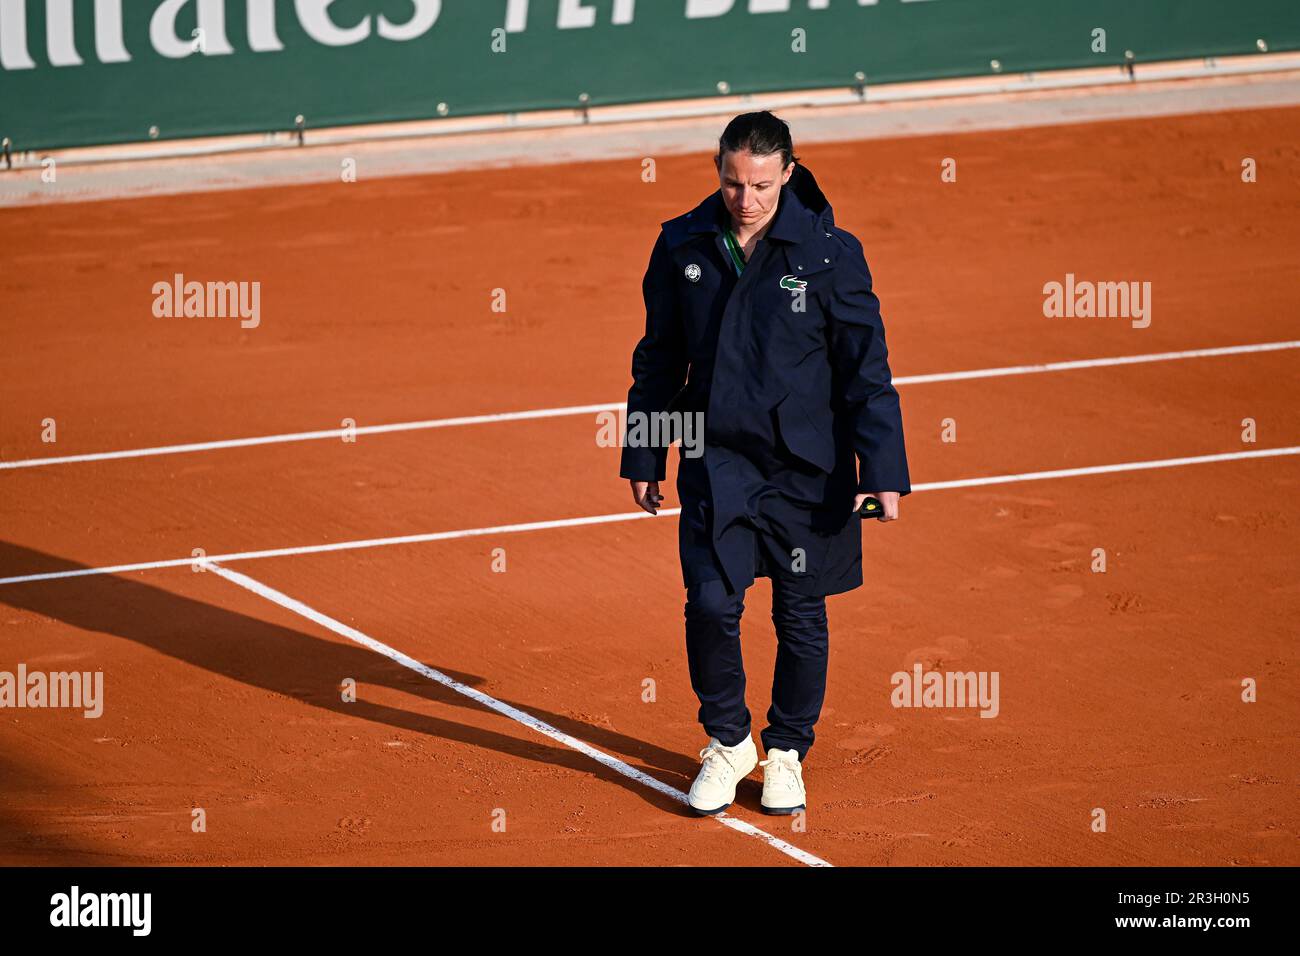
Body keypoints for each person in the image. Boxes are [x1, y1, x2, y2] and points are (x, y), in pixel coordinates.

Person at [619, 111, 910, 815]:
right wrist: (645, 448)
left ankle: (785, 751)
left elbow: (865, 370)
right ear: (718, 171)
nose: (744, 199)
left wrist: (884, 471)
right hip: (717, 458)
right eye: (731, 183)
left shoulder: (830, 254)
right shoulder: (682, 245)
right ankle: (727, 742)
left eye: (758, 184)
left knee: (800, 610)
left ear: (788, 171)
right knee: (712, 604)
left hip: (808, 467)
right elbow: (660, 357)